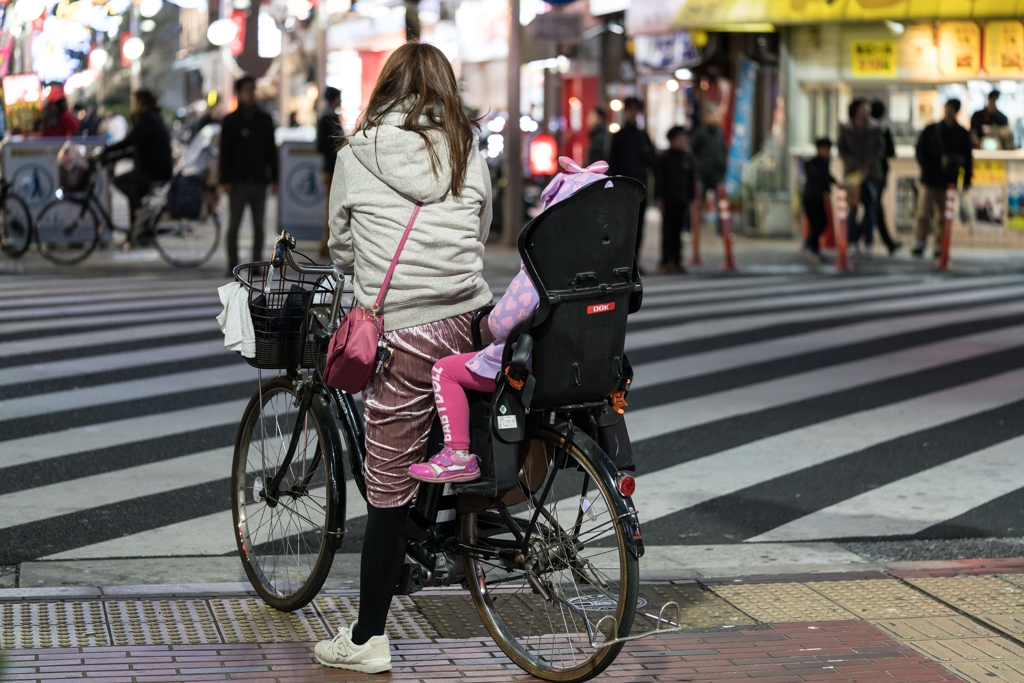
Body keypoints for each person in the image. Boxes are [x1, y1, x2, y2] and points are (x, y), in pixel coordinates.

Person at [316, 42, 493, 674]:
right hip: (473, 326)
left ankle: (367, 639)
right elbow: (481, 230)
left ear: (384, 86)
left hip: (404, 333)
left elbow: (340, 246)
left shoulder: (355, 154)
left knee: (384, 492)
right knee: (445, 434)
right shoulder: (468, 150)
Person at [220, 75, 279, 275]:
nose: (250, 93)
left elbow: (272, 150)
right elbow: (224, 152)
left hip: (259, 180)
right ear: (239, 93)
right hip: (237, 181)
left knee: (259, 227)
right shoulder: (230, 120)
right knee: (234, 225)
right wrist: (225, 179)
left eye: (252, 89)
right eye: (246, 89)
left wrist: (275, 178)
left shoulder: (264, 119)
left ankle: (255, 266)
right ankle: (232, 266)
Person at [104, 90, 173, 226]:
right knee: (135, 194)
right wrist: (115, 156)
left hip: (154, 170)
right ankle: (139, 233)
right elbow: (137, 148)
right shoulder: (153, 116)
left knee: (121, 182)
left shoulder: (147, 119)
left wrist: (108, 149)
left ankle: (142, 213)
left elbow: (131, 140)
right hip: (156, 167)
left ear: (140, 102)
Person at [913, 98, 972, 258]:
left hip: (949, 180)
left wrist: (967, 179)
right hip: (930, 177)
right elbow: (920, 151)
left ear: (956, 111)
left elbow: (968, 157)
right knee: (924, 212)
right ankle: (920, 241)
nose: (949, 111)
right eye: (947, 108)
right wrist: (926, 166)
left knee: (943, 214)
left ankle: (940, 245)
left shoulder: (961, 133)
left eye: (952, 109)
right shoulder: (932, 130)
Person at [608, 97, 655, 259]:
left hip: (641, 186)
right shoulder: (619, 136)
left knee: (639, 224)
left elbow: (651, 161)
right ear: (625, 112)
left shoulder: (643, 136)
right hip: (623, 187)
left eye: (635, 111)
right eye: (630, 111)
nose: (632, 114)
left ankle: (635, 260)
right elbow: (611, 163)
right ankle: (623, 261)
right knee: (623, 224)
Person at [838, 98, 885, 255]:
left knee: (870, 208)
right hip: (853, 174)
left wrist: (868, 163)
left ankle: (868, 242)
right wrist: (857, 163)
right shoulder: (846, 129)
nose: (865, 112)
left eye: (867, 109)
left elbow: (881, 149)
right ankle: (851, 240)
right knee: (852, 208)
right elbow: (842, 150)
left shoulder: (875, 127)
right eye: (862, 109)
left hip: (872, 173)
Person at [654, 126, 696, 272]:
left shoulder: (687, 157)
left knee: (679, 231)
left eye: (684, 138)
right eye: (679, 138)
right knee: (668, 231)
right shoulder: (664, 158)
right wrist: (658, 197)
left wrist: (691, 197)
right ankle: (665, 261)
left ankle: (677, 260)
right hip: (668, 199)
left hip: (682, 199)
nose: (682, 141)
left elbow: (690, 179)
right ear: (671, 140)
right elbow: (659, 179)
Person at [870, 100, 902, 255]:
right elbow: (891, 151)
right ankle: (887, 242)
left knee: (873, 207)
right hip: (877, 173)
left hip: (872, 173)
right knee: (874, 207)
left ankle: (856, 237)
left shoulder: (869, 128)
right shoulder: (880, 129)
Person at [690, 107, 727, 232]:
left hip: (717, 174)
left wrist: (722, 164)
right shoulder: (700, 133)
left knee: (721, 204)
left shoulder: (720, 133)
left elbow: (723, 150)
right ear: (706, 117)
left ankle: (721, 230)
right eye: (713, 115)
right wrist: (700, 166)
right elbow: (692, 152)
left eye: (717, 115)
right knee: (698, 203)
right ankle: (694, 229)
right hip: (703, 174)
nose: (716, 118)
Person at [317, 86, 343, 258]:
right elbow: (325, 146)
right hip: (332, 169)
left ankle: (327, 245)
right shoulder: (329, 118)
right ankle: (327, 246)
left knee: (331, 209)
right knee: (332, 210)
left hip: (328, 168)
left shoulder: (324, 116)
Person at [802, 137, 836, 263]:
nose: (828, 152)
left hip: (816, 197)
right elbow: (824, 176)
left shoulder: (822, 162)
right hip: (812, 198)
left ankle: (810, 245)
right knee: (818, 224)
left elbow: (827, 177)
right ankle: (813, 249)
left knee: (821, 223)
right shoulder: (816, 162)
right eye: (826, 149)